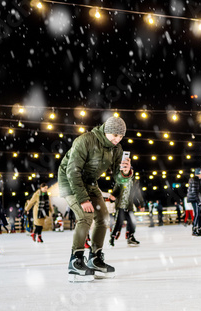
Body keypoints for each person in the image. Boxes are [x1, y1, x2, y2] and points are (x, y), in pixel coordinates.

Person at [58, 116, 133, 282]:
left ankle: (95, 258)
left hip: (90, 183)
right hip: (69, 182)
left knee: (103, 217)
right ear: (106, 130)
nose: (117, 139)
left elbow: (118, 179)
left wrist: (125, 172)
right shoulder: (85, 140)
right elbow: (72, 171)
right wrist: (83, 199)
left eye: (121, 136)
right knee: (85, 216)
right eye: (114, 134)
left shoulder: (116, 149)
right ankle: (75, 261)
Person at [109, 177, 144, 247]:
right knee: (118, 222)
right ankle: (112, 237)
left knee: (132, 221)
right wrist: (112, 197)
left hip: (129, 206)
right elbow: (115, 191)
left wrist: (141, 204)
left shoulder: (134, 182)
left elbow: (138, 194)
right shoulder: (120, 181)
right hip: (121, 206)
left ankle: (130, 237)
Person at [187, 169, 201, 236]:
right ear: (199, 173)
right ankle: (194, 229)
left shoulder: (197, 180)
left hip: (195, 198)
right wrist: (198, 201)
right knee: (197, 213)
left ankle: (199, 229)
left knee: (200, 213)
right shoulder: (195, 180)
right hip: (194, 199)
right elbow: (194, 192)